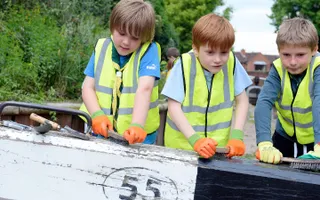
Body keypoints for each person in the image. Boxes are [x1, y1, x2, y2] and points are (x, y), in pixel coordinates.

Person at [161, 13, 252, 159]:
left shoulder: (232, 63)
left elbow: (242, 101)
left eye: (224, 52)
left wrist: (237, 136)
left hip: (218, 149)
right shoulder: (184, 65)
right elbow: (173, 107)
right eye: (210, 52)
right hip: (182, 149)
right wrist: (195, 141)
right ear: (196, 49)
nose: (218, 59)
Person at [79, 0, 161, 145]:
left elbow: (145, 88)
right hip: (102, 131)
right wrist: (96, 115)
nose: (126, 42)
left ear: (144, 37)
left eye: (135, 38)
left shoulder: (149, 51)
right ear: (112, 27)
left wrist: (137, 125)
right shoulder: (101, 47)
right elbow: (87, 87)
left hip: (138, 137)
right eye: (122, 33)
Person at [254, 17, 320, 164]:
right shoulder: (277, 69)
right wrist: (264, 142)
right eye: (286, 55)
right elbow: (264, 102)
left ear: (314, 49)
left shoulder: (318, 66)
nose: (293, 62)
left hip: (315, 140)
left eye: (300, 55)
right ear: (279, 51)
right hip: (284, 136)